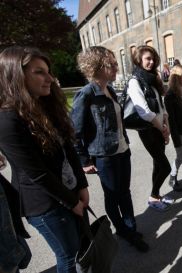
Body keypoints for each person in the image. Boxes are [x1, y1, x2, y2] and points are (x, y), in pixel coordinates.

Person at [0, 46, 89, 273]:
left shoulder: (44, 103)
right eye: (39, 72)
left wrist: (82, 184)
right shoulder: (7, 120)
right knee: (68, 256)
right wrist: (72, 202)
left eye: (48, 71)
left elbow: (69, 147)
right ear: (16, 75)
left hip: (69, 191)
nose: (50, 78)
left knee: (80, 249)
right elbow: (37, 173)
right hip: (45, 204)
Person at [71, 46, 149, 252]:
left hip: (122, 150)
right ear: (96, 66)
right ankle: (124, 230)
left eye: (116, 64)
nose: (116, 67)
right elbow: (74, 131)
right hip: (104, 156)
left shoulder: (111, 90)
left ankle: (130, 228)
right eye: (111, 64)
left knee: (125, 193)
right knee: (113, 195)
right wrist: (84, 161)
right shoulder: (86, 94)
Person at [128, 45, 172, 211]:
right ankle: (153, 196)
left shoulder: (152, 79)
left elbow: (160, 105)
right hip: (148, 131)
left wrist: (166, 123)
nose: (151, 62)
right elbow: (144, 111)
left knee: (158, 165)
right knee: (166, 167)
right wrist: (162, 129)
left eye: (153, 59)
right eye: (147, 58)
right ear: (139, 60)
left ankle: (157, 195)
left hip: (160, 127)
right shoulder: (135, 81)